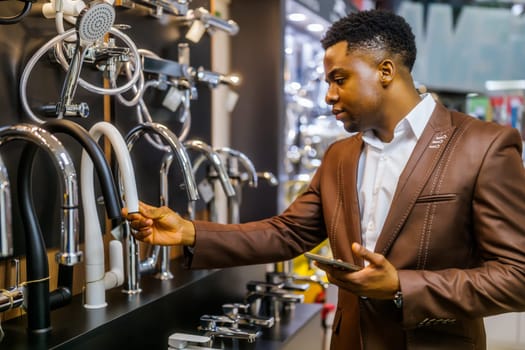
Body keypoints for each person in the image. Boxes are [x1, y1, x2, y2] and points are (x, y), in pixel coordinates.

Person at [123, 9, 525, 350]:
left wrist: (402, 285)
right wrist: (191, 232)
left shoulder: (482, 146)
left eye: (340, 78)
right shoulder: (341, 155)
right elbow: (288, 233)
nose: (329, 95)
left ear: (385, 71)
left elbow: (516, 277)